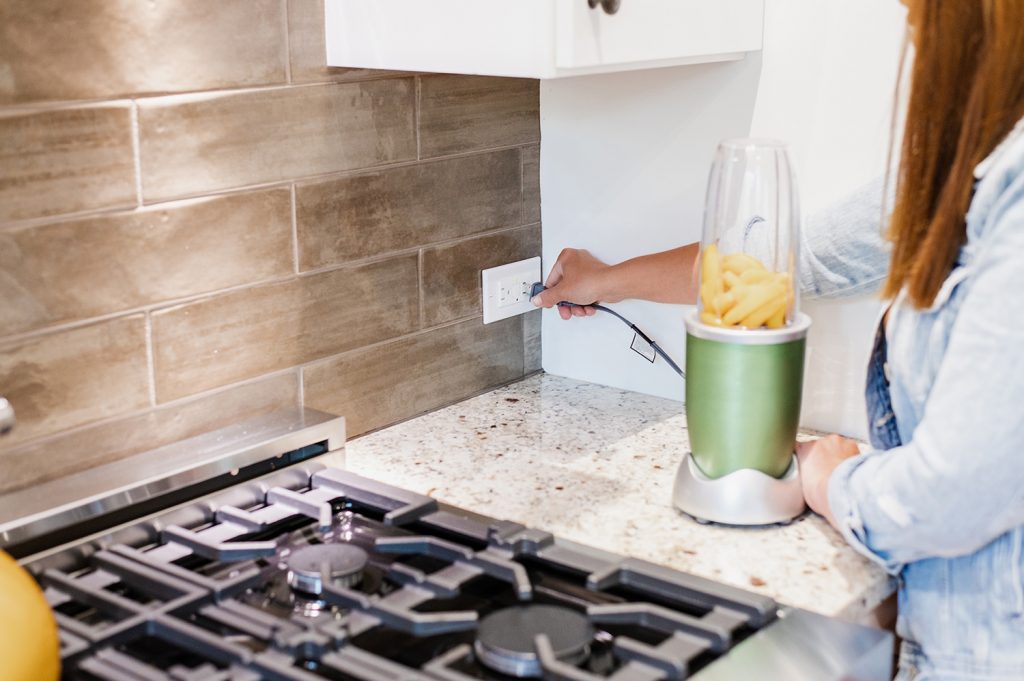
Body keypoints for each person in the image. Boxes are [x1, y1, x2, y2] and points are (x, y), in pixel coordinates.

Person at [531, 2, 1024, 679]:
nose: (907, 16)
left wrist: (831, 480)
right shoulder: (970, 164)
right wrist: (607, 279)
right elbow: (778, 258)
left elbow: (953, 495)